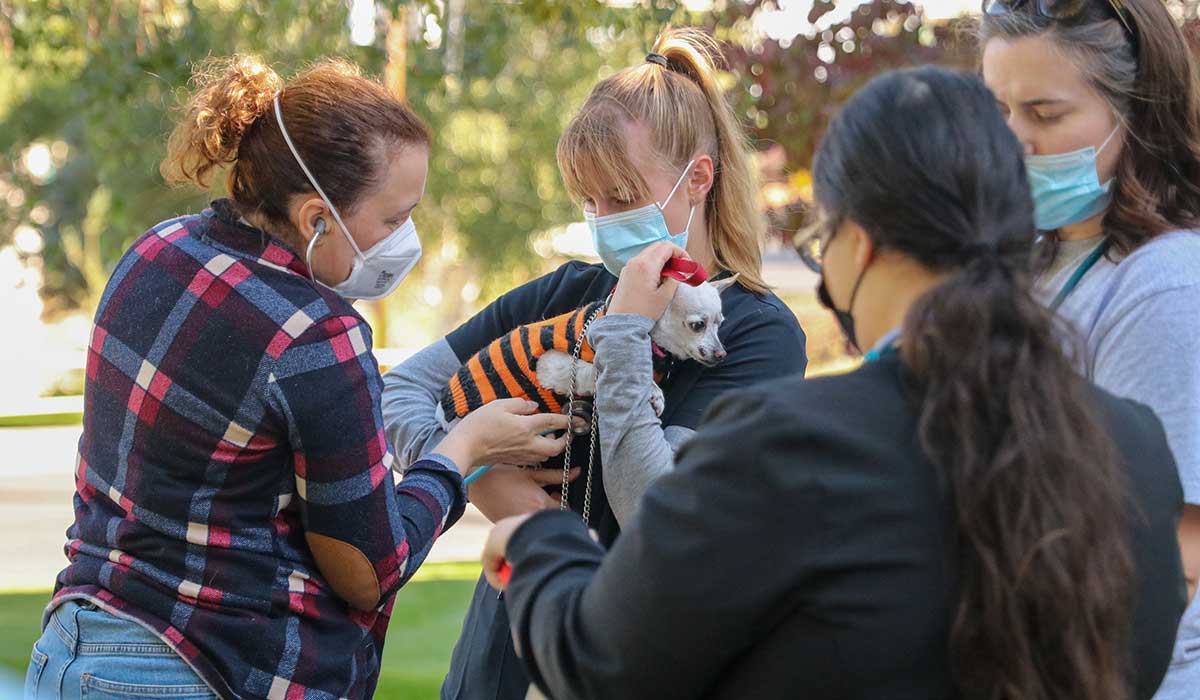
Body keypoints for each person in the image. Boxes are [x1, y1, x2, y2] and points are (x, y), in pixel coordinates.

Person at [480, 66, 1189, 700]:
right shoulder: (1137, 446)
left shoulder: (780, 444)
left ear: (862, 242)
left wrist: (536, 541)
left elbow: (601, 662)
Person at [23, 56, 569, 700]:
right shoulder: (316, 334)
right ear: (315, 219)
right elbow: (368, 567)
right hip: (201, 671)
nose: (406, 240)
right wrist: (464, 448)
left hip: (76, 646)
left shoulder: (156, 250)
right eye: (393, 220)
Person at [382, 27, 807, 700]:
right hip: (499, 661)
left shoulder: (758, 336)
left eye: (619, 194)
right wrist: (474, 468)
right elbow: (399, 390)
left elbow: (658, 511)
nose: (600, 218)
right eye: (589, 199)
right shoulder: (566, 292)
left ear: (697, 179)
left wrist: (627, 330)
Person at [979, 1, 1200, 693]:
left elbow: (1175, 554)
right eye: (998, 110)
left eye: (1044, 115)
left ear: (1140, 113)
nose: (1013, 140)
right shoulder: (1036, 256)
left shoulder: (1163, 287)